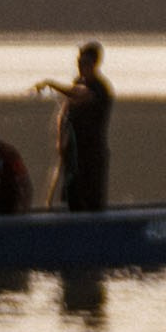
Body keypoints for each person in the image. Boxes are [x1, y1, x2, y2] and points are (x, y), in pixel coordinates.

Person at [32, 41, 116, 212]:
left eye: (84, 63)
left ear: (94, 64)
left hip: (91, 153)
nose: (80, 66)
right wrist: (60, 138)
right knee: (69, 194)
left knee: (90, 197)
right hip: (73, 150)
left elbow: (79, 94)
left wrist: (50, 83)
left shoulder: (100, 88)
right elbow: (65, 109)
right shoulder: (78, 81)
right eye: (79, 62)